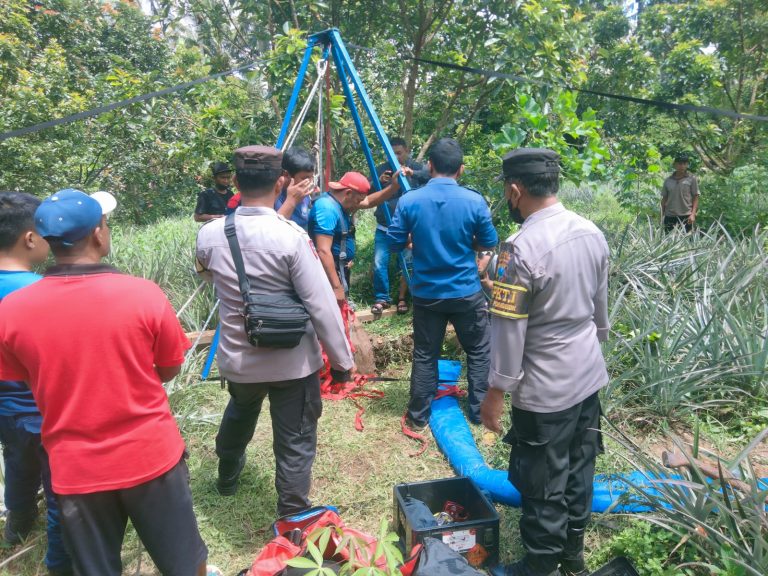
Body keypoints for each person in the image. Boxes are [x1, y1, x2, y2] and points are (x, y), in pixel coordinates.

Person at [0, 189, 208, 576]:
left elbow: (23, 378)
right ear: (99, 234)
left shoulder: (11, 311)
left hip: (75, 469)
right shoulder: (142, 294)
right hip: (151, 457)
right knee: (185, 563)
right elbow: (168, 367)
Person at [195, 145, 355, 516]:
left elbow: (205, 276)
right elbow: (320, 305)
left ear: (235, 182)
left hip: (239, 357)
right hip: (292, 362)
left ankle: (227, 476)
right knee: (296, 437)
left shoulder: (210, 235)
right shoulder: (292, 237)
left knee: (240, 410)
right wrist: (342, 362)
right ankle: (293, 513)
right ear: (281, 181)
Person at [480, 149, 609, 576]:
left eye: (506, 191)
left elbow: (508, 330)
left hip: (545, 390)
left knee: (542, 483)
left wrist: (496, 391)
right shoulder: (591, 231)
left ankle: (540, 567)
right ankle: (572, 556)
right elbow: (600, 312)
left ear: (515, 190)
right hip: (587, 375)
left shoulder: (519, 250)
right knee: (579, 467)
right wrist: (593, 349)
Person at [387, 137, 498, 429]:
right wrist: (464, 242)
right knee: (478, 350)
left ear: (430, 166)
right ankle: (478, 413)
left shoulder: (410, 200)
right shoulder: (474, 200)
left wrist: (417, 239)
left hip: (427, 294)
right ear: (460, 170)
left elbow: (395, 242)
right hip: (465, 291)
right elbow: (488, 242)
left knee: (426, 354)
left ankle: (418, 417)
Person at [0, 192, 72, 575]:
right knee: (60, 488)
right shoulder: (43, 293)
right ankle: (59, 560)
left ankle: (17, 526)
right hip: (48, 412)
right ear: (30, 238)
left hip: (6, 411)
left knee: (17, 465)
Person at [308, 169, 408, 305]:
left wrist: (393, 187)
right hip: (326, 276)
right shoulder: (326, 209)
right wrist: (337, 287)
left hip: (340, 270)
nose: (359, 204)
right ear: (348, 193)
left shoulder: (340, 201)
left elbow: (368, 202)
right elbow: (323, 251)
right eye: (357, 200)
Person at [371, 137, 429, 316]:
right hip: (384, 226)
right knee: (379, 262)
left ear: (407, 151)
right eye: (392, 153)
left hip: (409, 228)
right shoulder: (381, 168)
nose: (395, 157)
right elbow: (367, 192)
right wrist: (378, 181)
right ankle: (382, 298)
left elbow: (430, 181)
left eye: (399, 153)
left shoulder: (417, 168)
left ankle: (403, 297)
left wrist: (413, 174)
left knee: (407, 262)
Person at [661, 155, 699, 232]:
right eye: (680, 164)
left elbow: (696, 197)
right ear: (675, 165)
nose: (682, 166)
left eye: (684, 164)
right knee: (669, 241)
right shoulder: (668, 180)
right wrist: (661, 215)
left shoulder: (691, 179)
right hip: (670, 215)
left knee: (687, 241)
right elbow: (664, 199)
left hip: (686, 215)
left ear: (687, 165)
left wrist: (693, 214)